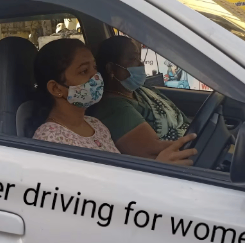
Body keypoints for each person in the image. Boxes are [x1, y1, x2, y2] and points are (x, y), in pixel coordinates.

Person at [32, 38, 198, 166]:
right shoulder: (50, 138)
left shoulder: (95, 125)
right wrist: (157, 170)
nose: (95, 77)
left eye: (94, 68)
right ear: (56, 89)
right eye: (84, 71)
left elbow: (119, 176)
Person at [89, 36, 192, 160]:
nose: (140, 64)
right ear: (111, 68)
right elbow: (154, 152)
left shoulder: (141, 91)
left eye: (139, 58)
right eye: (133, 58)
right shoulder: (114, 110)